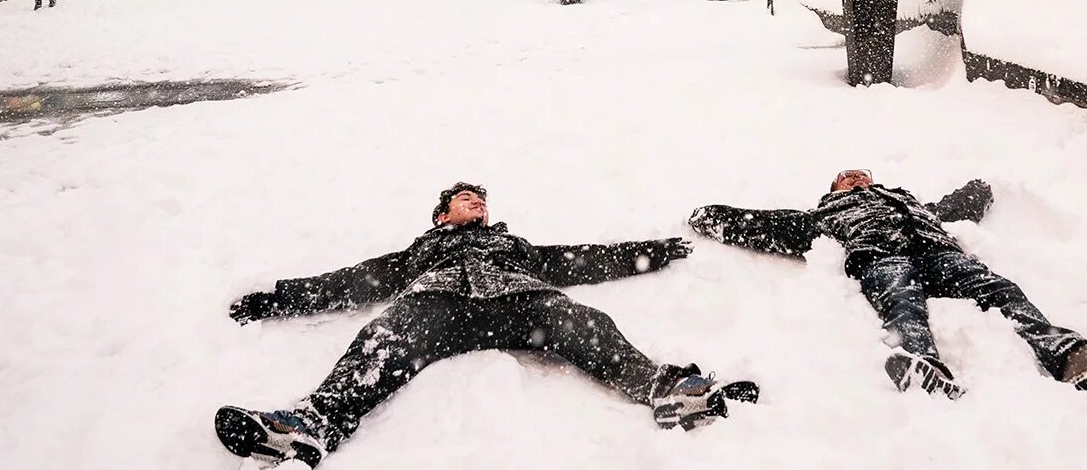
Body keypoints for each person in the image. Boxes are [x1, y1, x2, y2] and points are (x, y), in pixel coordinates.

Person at [217, 183, 757, 467]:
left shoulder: (513, 246)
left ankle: (668, 392)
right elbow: (356, 280)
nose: (476, 202)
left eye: (480, 199)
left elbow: (578, 258)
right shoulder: (420, 253)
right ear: (441, 216)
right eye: (464, 199)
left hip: (521, 304)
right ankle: (310, 426)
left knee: (583, 319)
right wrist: (277, 299)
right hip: (440, 307)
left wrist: (651, 251)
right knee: (386, 334)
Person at [689, 169, 1087, 399]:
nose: (856, 178)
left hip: (942, 256)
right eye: (846, 177)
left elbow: (956, 206)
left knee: (1000, 289)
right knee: (901, 301)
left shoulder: (912, 203)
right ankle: (923, 365)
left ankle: (1068, 355)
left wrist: (980, 188)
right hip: (882, 258)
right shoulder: (824, 216)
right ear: (833, 191)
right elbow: (766, 225)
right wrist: (709, 217)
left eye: (862, 173)